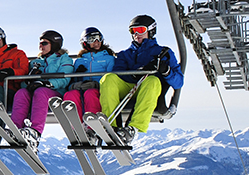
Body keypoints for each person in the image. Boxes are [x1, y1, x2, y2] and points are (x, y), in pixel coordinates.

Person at [98, 14, 183, 144]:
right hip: (128, 88)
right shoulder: (125, 54)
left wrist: (166, 71)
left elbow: (179, 83)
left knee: (153, 81)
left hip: (148, 90)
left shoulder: (163, 53)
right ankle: (112, 126)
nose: (136, 34)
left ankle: (133, 128)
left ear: (151, 31)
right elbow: (118, 73)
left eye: (141, 30)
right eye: (133, 31)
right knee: (108, 78)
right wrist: (134, 74)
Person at [10, 30, 73, 147]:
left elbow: (65, 79)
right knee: (22, 92)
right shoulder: (36, 62)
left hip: (56, 93)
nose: (40, 46)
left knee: (41, 92)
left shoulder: (64, 59)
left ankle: (35, 132)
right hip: (37, 92)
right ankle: (16, 128)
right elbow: (24, 82)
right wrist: (29, 83)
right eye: (40, 43)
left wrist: (46, 84)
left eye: (44, 43)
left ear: (54, 44)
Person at [64, 27, 116, 117]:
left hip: (99, 89)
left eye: (98, 38)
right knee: (70, 94)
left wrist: (96, 84)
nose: (96, 42)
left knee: (90, 93)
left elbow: (111, 79)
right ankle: (76, 125)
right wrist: (76, 81)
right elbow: (73, 81)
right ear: (84, 42)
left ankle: (92, 124)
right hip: (82, 88)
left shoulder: (109, 59)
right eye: (91, 39)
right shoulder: (79, 61)